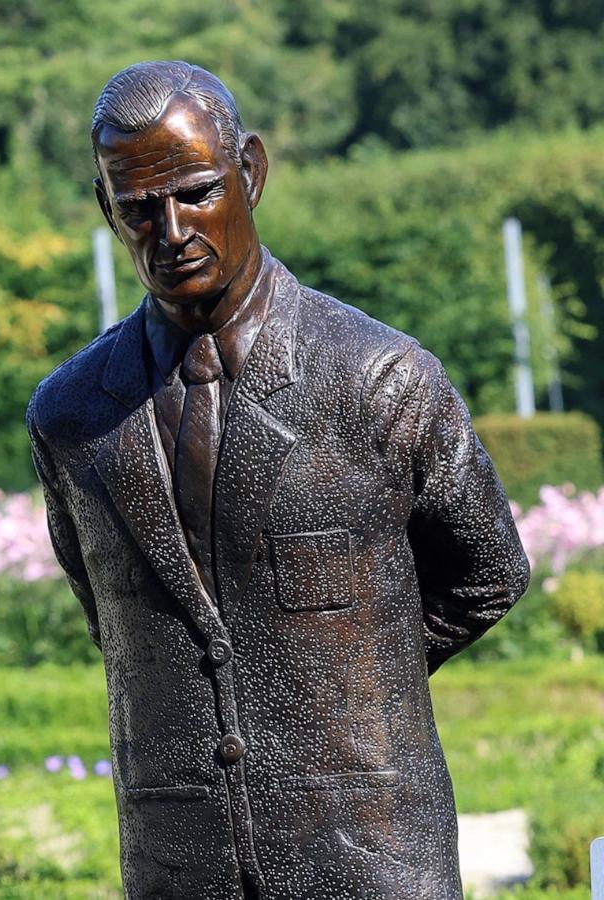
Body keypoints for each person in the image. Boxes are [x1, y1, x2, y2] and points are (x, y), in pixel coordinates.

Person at [26, 61, 530, 899]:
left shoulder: (379, 379)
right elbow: (110, 616)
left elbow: (488, 575)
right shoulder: (72, 415)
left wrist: (346, 681)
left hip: (370, 852)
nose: (172, 229)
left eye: (195, 192)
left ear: (249, 173)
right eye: (139, 208)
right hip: (178, 857)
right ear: (104, 208)